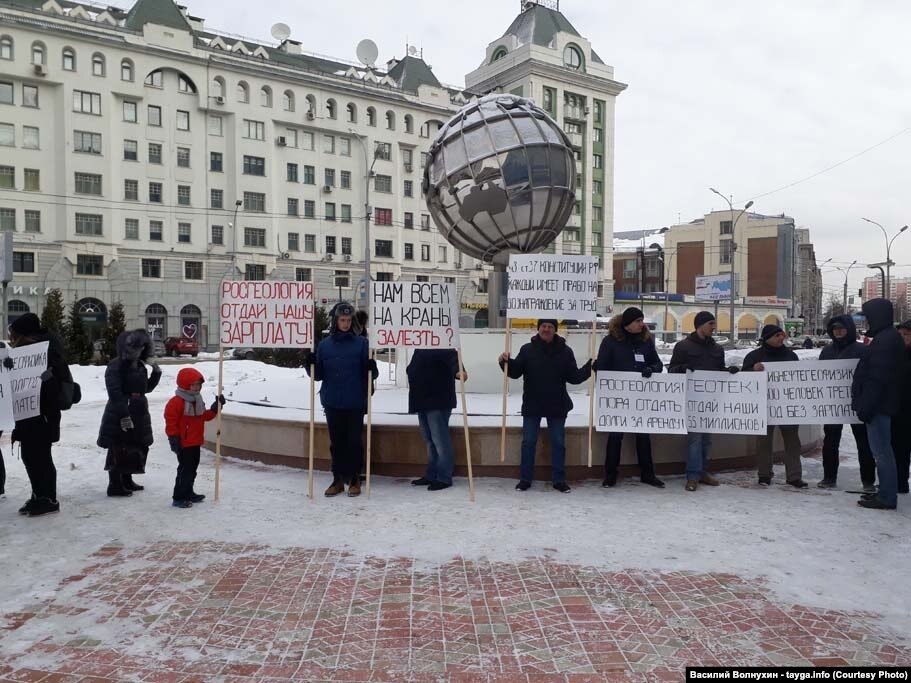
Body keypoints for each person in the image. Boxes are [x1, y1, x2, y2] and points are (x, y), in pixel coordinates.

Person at [498, 319, 592, 493]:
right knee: (528, 443)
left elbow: (574, 377)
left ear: (555, 330)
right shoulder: (527, 350)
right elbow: (515, 372)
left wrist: (589, 367)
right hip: (532, 404)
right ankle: (525, 479)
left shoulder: (565, 351)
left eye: (550, 327)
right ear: (538, 328)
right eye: (543, 326)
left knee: (558, 444)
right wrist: (505, 362)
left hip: (557, 404)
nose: (546, 329)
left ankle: (559, 480)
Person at [309, 302, 377, 497]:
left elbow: (370, 375)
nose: (345, 324)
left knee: (354, 442)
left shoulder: (362, 344)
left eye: (348, 320)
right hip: (332, 401)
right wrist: (309, 364)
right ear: (336, 321)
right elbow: (318, 375)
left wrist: (372, 368)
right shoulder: (325, 346)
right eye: (342, 320)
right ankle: (338, 479)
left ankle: (354, 479)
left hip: (354, 401)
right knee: (336, 443)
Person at [9, 313, 73, 517]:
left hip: (44, 416)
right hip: (28, 415)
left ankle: (48, 499)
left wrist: (48, 380)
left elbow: (57, 386)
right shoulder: (24, 353)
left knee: (41, 457)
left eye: (14, 334)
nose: (11, 339)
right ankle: (38, 495)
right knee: (30, 456)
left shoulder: (48, 353)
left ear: (25, 335)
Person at [668, 311, 739, 491]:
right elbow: (672, 370)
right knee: (695, 439)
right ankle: (692, 475)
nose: (714, 327)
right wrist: (684, 368)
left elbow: (718, 370)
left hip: (711, 401)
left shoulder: (717, 349)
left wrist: (728, 372)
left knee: (706, 440)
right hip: (691, 401)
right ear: (700, 325)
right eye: (711, 324)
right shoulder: (683, 346)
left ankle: (702, 472)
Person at [595, 307, 665, 489]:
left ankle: (648, 474)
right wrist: (598, 369)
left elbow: (658, 363)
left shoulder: (646, 341)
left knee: (643, 436)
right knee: (615, 436)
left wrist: (651, 369)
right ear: (627, 324)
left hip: (641, 397)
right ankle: (610, 474)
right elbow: (602, 368)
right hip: (618, 399)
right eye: (638, 321)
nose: (642, 324)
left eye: (642, 320)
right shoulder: (611, 342)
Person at [851, 298, 904, 510]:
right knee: (883, 451)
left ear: (877, 316)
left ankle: (887, 497)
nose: (866, 321)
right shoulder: (887, 337)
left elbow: (876, 378)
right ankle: (885, 492)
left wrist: (866, 407)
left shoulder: (885, 341)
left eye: (868, 317)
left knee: (882, 453)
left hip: (879, 406)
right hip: (882, 404)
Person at [97, 330, 162, 497]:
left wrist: (156, 372)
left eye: (143, 347)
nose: (141, 350)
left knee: (133, 444)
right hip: (121, 409)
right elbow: (115, 393)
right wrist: (124, 415)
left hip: (138, 409)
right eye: (138, 347)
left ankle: (127, 478)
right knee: (118, 446)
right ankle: (114, 484)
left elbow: (146, 388)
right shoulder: (116, 365)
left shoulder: (140, 366)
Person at [742, 325, 807, 488]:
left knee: (792, 442)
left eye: (782, 335)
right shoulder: (754, 356)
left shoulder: (791, 356)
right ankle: (764, 474)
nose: (781, 338)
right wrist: (752, 370)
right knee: (763, 442)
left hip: (787, 406)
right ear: (767, 338)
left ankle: (794, 476)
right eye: (777, 335)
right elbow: (742, 380)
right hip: (763, 406)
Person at [817, 315, 875, 490]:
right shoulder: (826, 351)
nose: (839, 332)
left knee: (864, 443)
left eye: (842, 328)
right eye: (835, 329)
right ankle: (829, 477)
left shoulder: (863, 350)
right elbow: (819, 375)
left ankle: (868, 480)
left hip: (858, 403)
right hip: (833, 404)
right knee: (830, 442)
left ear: (849, 329)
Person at [407, 349, 467, 491]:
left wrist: (460, 371)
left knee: (440, 440)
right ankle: (432, 474)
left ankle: (444, 477)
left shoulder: (443, 344)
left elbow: (454, 359)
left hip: (438, 401)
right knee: (429, 440)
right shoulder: (420, 348)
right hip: (421, 400)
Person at [164, 367, 223, 508]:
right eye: (194, 384)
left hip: (195, 441)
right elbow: (171, 421)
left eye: (199, 384)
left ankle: (188, 492)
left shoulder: (197, 400)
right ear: (185, 384)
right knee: (185, 470)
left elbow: (203, 416)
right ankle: (179, 497)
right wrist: (173, 438)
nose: (197, 387)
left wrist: (215, 408)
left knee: (192, 470)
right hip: (183, 443)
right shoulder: (176, 402)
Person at [892, 320, 911, 495]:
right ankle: (900, 482)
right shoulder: (895, 353)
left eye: (907, 334)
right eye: (901, 334)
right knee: (899, 448)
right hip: (898, 410)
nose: (903, 337)